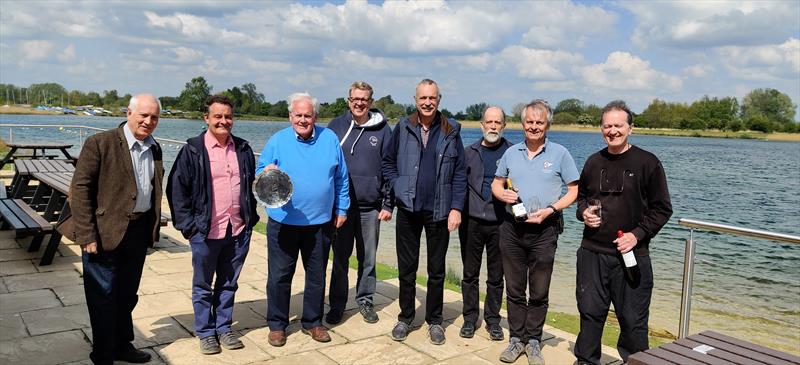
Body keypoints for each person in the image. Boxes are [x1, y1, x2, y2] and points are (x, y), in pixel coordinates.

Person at [573, 100, 672, 365]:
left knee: (633, 320)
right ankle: (586, 360)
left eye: (618, 125)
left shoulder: (647, 163)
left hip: (631, 254)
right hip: (592, 253)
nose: (613, 131)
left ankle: (637, 361)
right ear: (601, 129)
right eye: (607, 126)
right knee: (590, 313)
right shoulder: (594, 162)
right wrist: (583, 212)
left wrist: (637, 234)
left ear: (630, 128)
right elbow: (581, 199)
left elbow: (662, 209)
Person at [67, 94, 163, 365]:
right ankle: (103, 354)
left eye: (154, 117)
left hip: (138, 231)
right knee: (102, 296)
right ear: (128, 112)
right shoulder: (100, 143)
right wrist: (86, 235)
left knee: (126, 295)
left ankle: (122, 345)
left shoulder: (154, 147)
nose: (148, 121)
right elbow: (79, 190)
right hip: (103, 233)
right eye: (143, 115)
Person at [166, 95, 259, 354]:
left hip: (237, 229)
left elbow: (251, 186)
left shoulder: (243, 148)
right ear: (206, 118)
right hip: (205, 231)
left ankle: (224, 328)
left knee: (229, 283)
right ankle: (206, 332)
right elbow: (176, 189)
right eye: (217, 116)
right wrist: (189, 227)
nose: (223, 121)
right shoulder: (193, 150)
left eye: (228, 116)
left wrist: (251, 218)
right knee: (203, 285)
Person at [256, 92, 350, 347]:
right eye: (298, 115)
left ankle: (313, 322)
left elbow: (341, 177)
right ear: (290, 116)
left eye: (308, 115)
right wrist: (265, 171)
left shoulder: (329, 139)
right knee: (279, 276)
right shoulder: (277, 140)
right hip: (283, 221)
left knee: (317, 276)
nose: (303, 119)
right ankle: (277, 325)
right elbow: (260, 171)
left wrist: (342, 209)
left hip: (320, 223)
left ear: (315, 117)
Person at [491, 99, 579, 365]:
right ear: (522, 124)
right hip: (512, 229)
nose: (534, 126)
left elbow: (574, 190)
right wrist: (502, 194)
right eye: (529, 122)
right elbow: (496, 184)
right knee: (515, 289)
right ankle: (516, 340)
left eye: (539, 122)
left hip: (545, 230)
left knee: (539, 291)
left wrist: (552, 209)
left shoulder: (560, 153)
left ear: (547, 125)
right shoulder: (511, 152)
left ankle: (533, 341)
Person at [382, 78, 467, 345]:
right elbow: (387, 162)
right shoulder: (404, 127)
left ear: (439, 100)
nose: (427, 103)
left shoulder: (451, 130)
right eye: (423, 98)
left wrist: (456, 208)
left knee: (436, 270)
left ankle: (435, 321)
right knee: (407, 269)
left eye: (432, 98)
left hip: (439, 212)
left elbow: (460, 173)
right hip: (408, 209)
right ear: (415, 101)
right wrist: (396, 186)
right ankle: (406, 317)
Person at [326, 81, 393, 325]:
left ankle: (365, 300)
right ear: (349, 100)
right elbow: (326, 163)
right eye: (355, 98)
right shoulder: (336, 126)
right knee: (340, 259)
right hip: (341, 208)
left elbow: (389, 167)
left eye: (364, 99)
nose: (359, 103)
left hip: (370, 207)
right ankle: (337, 304)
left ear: (370, 101)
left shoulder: (384, 130)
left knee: (368, 259)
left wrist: (388, 204)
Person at [458, 106, 511, 341]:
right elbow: (458, 185)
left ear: (504, 126)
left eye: (497, 122)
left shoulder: (513, 152)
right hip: (471, 222)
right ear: (481, 125)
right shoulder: (469, 152)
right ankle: (469, 318)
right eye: (488, 122)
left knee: (496, 276)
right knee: (469, 274)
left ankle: (493, 320)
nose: (492, 126)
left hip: (501, 222)